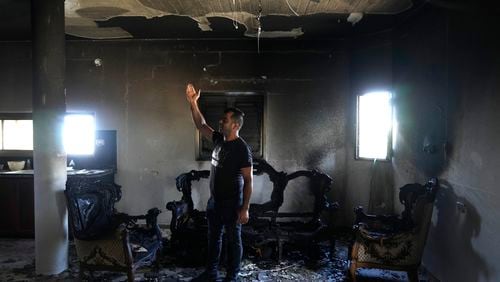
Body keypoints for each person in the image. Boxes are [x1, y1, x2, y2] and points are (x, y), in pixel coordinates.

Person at [186, 83, 253, 282]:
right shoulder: (219, 140)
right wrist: (192, 103)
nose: (220, 122)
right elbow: (200, 125)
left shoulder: (242, 149)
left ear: (235, 125)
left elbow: (249, 180)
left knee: (234, 240)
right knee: (213, 238)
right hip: (214, 202)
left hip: (232, 204)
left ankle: (232, 276)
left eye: (225, 120)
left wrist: (245, 208)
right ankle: (211, 272)